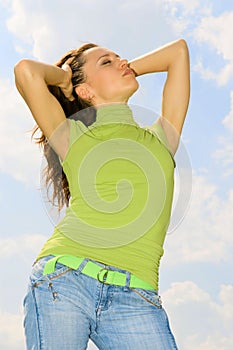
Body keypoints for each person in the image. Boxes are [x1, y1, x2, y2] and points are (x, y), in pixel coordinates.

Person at [14, 39, 190, 350]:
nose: (120, 61)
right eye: (106, 61)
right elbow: (26, 71)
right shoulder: (72, 136)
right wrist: (66, 79)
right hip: (64, 277)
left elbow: (178, 52)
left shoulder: (162, 138)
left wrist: (126, 68)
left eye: (120, 57)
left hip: (137, 296)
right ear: (84, 91)